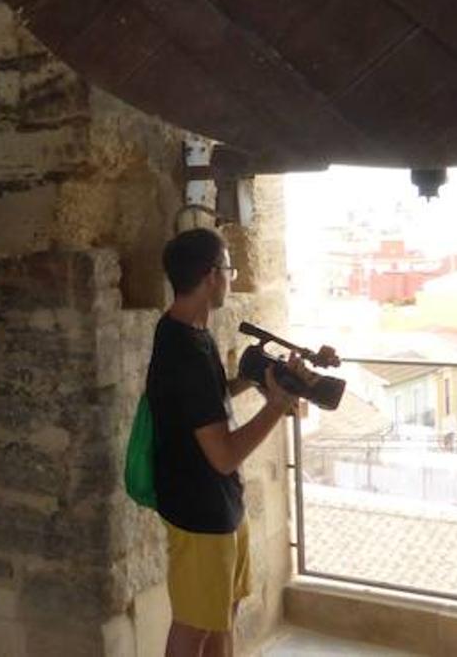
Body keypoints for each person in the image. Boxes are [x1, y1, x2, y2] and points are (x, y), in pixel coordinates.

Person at [146, 228, 301, 657]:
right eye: (229, 269)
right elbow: (222, 454)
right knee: (195, 626)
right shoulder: (186, 351)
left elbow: (201, 407)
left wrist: (253, 381)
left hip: (218, 504)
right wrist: (277, 407)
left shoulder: (187, 331)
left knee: (220, 615)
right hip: (201, 511)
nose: (232, 278)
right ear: (211, 275)